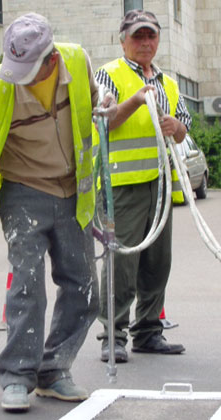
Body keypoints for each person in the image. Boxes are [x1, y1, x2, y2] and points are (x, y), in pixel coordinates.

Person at [0, 13, 117, 413]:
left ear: (51, 60)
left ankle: (54, 371)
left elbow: (94, 94)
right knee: (27, 286)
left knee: (84, 288)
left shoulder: (77, 61)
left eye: (28, 71)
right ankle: (16, 376)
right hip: (23, 193)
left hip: (73, 191)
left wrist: (105, 100)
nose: (18, 77)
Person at [94, 9, 192, 364]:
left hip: (160, 185)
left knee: (157, 262)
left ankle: (149, 331)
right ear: (123, 40)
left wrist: (174, 127)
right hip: (123, 185)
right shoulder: (109, 74)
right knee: (122, 263)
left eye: (150, 36)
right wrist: (135, 101)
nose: (145, 42)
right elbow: (103, 120)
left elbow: (184, 126)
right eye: (138, 36)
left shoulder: (168, 81)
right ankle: (113, 335)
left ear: (158, 39)